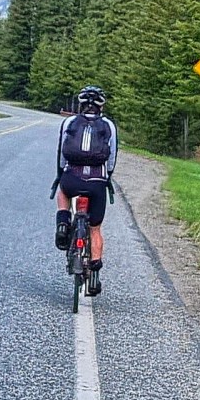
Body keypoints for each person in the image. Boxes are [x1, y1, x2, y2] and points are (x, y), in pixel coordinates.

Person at [54, 85, 117, 295]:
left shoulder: (70, 122)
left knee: (63, 193)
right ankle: (94, 277)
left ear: (81, 105)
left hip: (72, 177)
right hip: (97, 182)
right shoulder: (108, 125)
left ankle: (63, 224)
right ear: (101, 106)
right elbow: (112, 157)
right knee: (95, 229)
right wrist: (107, 177)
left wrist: (60, 175)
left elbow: (61, 153)